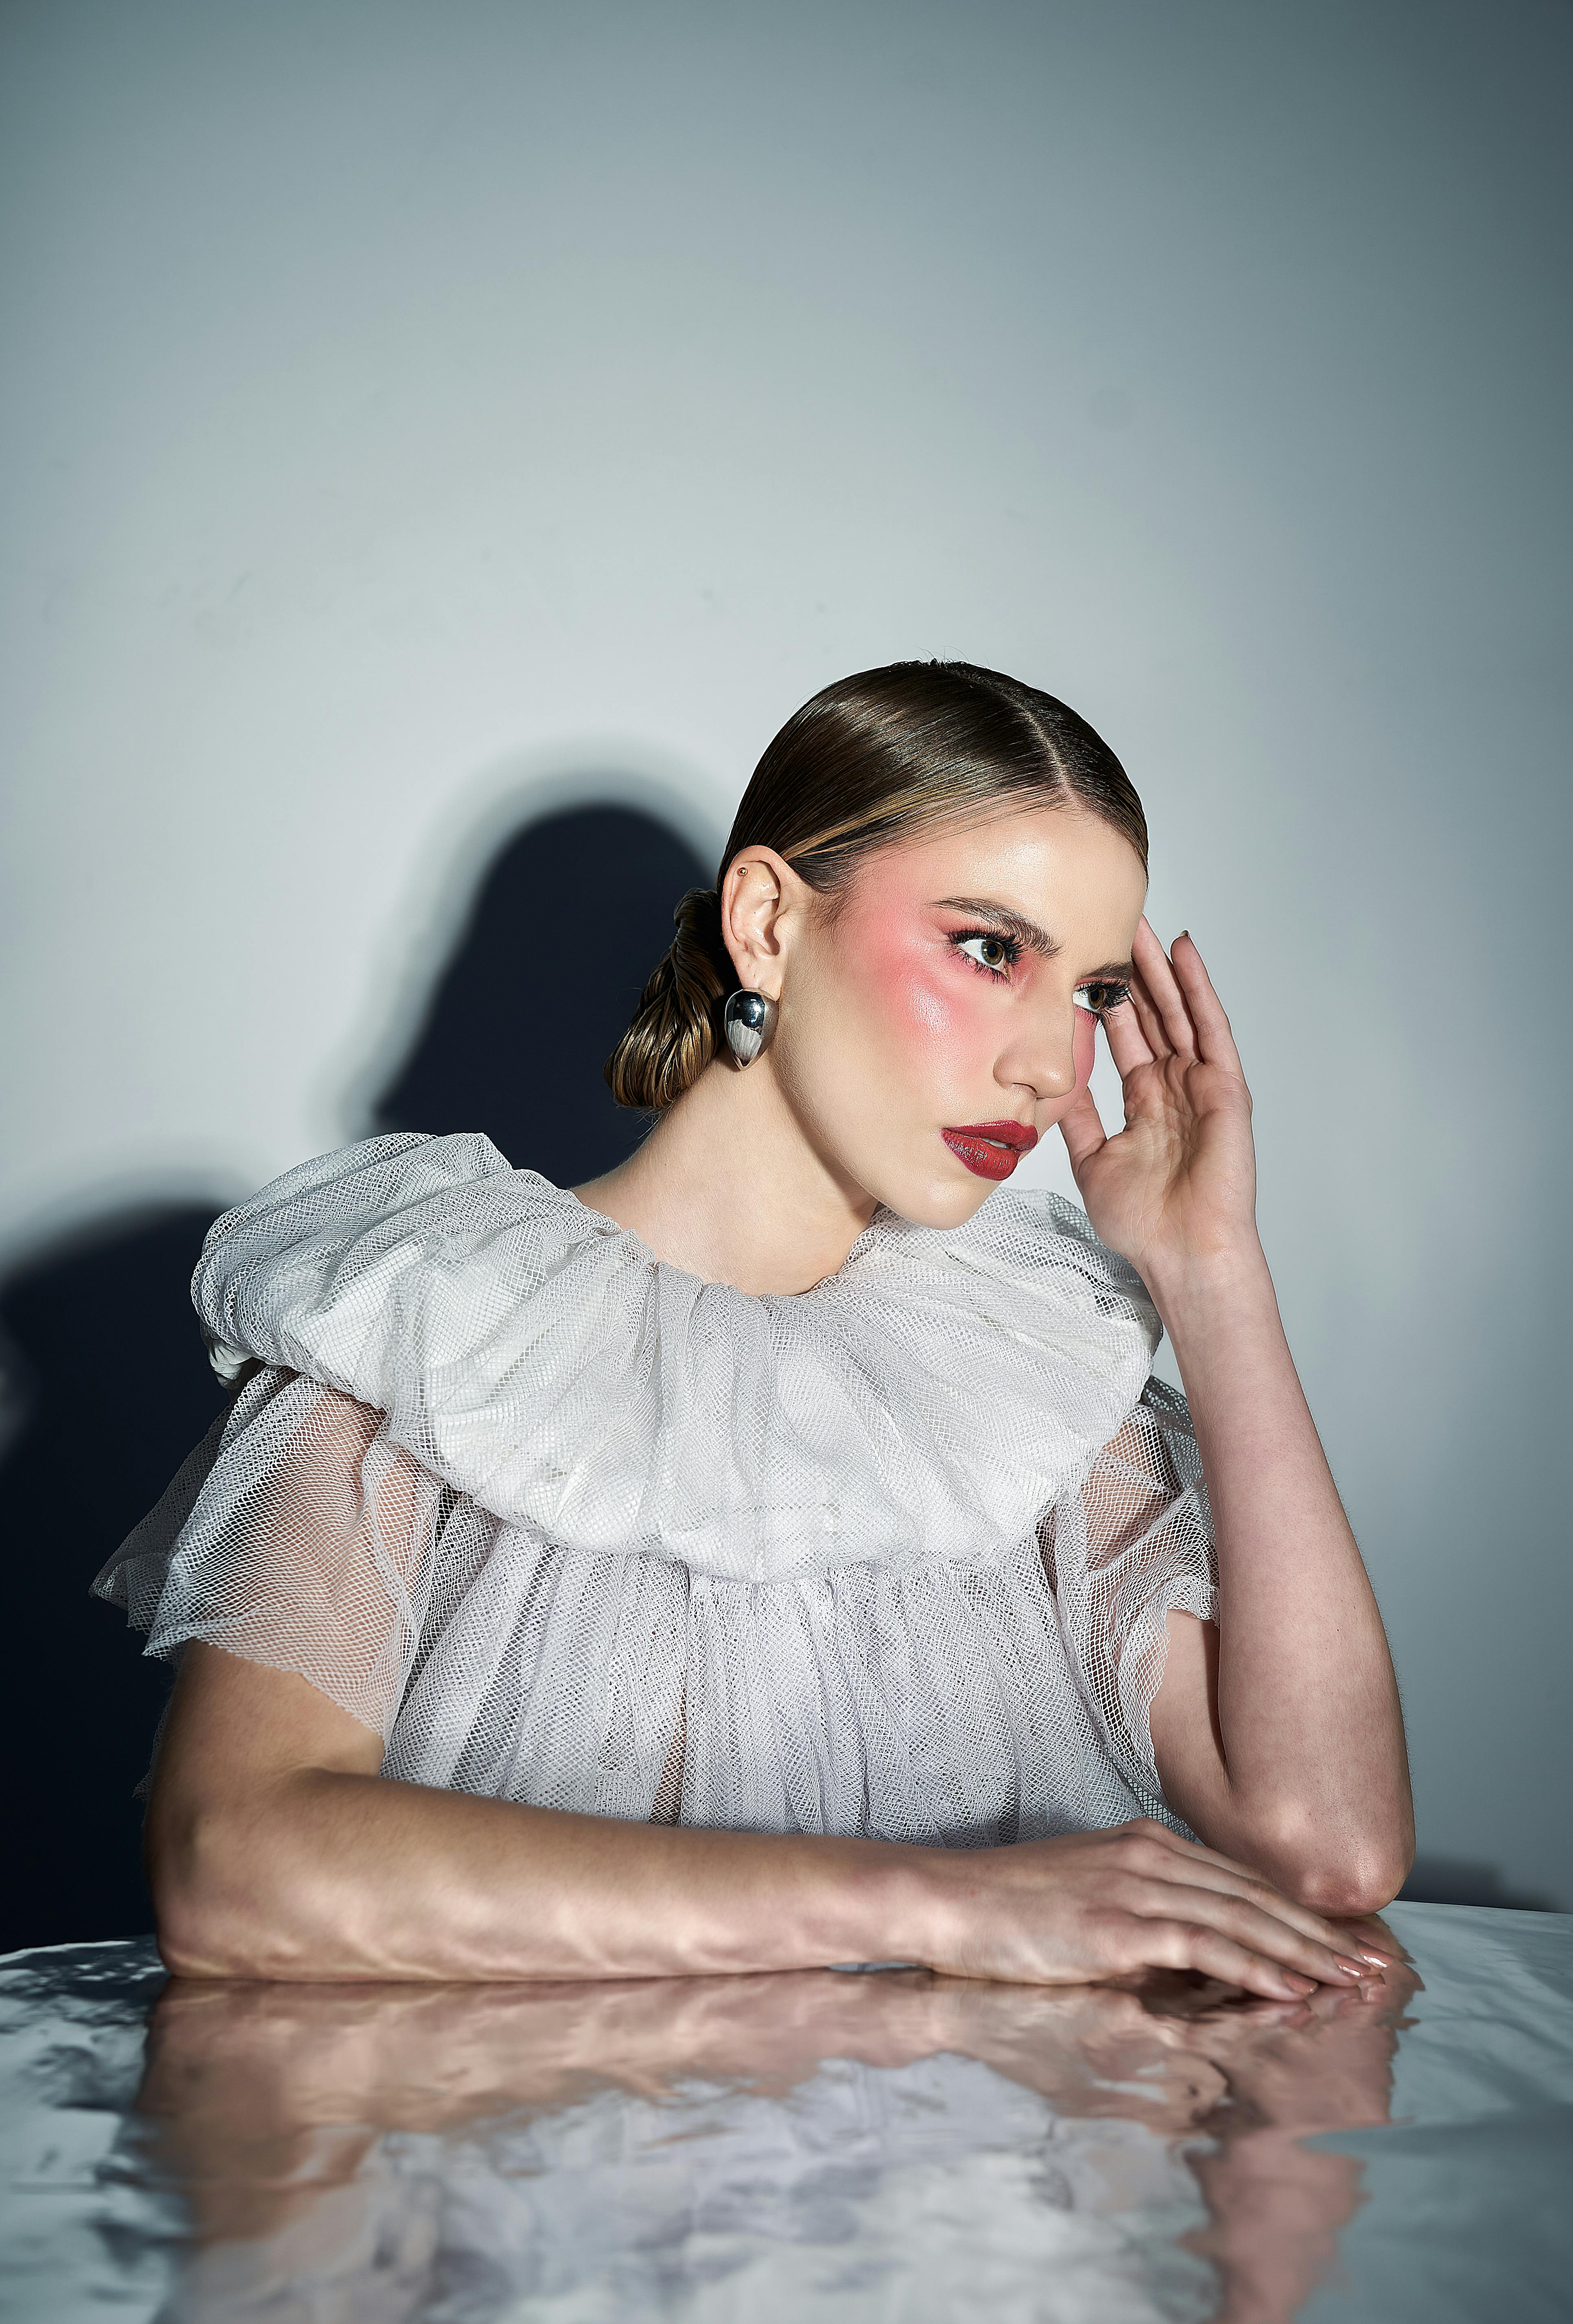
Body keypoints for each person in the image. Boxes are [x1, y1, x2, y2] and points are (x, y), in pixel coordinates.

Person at [97, 660, 1413, 1994]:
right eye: (989, 949)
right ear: (768, 920)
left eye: (1090, 993)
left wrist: (1211, 1273)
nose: (1054, 1069)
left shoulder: (1025, 1374)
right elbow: (233, 1862)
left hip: (981, 2192)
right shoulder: (427, 1320)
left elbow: (1329, 1850)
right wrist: (934, 1907)